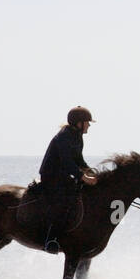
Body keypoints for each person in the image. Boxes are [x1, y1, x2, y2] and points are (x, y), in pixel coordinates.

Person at [38, 106, 99, 253]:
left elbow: (79, 161)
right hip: (51, 176)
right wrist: (83, 177)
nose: (89, 125)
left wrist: (93, 173)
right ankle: (51, 240)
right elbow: (67, 162)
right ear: (79, 123)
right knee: (65, 201)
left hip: (64, 175)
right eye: (87, 122)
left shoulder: (78, 137)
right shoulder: (64, 136)